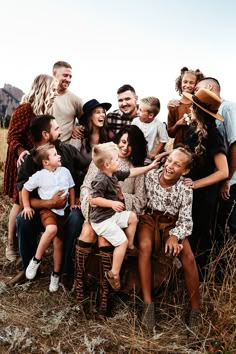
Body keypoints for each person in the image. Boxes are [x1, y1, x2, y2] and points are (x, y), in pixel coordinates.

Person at [75, 125, 149, 314]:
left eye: (130, 144)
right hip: (96, 211)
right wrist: (90, 211)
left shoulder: (136, 167)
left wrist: (122, 197)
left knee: (105, 238)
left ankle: (105, 293)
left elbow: (141, 201)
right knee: (88, 230)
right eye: (123, 142)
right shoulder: (104, 159)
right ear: (117, 141)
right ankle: (80, 286)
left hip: (119, 214)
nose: (125, 147)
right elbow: (86, 188)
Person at [8, 115, 88, 287]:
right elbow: (23, 197)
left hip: (67, 208)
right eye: (57, 128)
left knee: (75, 218)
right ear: (45, 134)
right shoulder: (30, 160)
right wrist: (50, 203)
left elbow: (88, 167)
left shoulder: (67, 151)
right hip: (41, 212)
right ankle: (28, 267)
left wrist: (84, 193)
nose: (60, 131)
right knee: (23, 219)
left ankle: (65, 272)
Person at [137, 147, 200, 332]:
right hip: (148, 218)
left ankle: (195, 309)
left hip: (171, 223)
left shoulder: (185, 188)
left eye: (177, 164)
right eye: (170, 160)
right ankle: (148, 305)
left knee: (187, 255)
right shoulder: (150, 176)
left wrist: (175, 236)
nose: (170, 166)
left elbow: (186, 220)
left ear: (185, 171)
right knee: (145, 245)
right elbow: (141, 202)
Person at [89, 142, 159, 291]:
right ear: (107, 164)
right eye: (115, 159)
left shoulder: (113, 173)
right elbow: (93, 199)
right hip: (101, 221)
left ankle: (131, 246)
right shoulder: (101, 179)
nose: (119, 161)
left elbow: (132, 172)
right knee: (121, 242)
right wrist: (111, 204)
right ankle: (113, 273)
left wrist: (150, 167)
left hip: (111, 215)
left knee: (132, 217)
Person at [3, 74, 58, 262]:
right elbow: (11, 136)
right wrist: (21, 152)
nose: (54, 93)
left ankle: (26, 242)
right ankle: (10, 244)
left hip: (35, 161)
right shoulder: (25, 108)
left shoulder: (42, 111)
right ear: (43, 88)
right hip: (21, 161)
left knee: (30, 201)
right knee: (19, 202)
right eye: (52, 89)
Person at [182, 88, 229, 275]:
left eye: (192, 107)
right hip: (189, 192)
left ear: (196, 110)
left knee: (201, 235)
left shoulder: (213, 134)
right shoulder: (193, 131)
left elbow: (223, 171)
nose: (189, 111)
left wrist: (196, 184)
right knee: (188, 234)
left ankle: (201, 277)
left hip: (204, 194)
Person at [21, 143, 77, 292]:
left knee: (59, 243)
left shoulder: (64, 171)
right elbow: (25, 189)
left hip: (63, 212)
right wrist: (26, 206)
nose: (59, 156)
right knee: (51, 229)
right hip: (48, 211)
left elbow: (71, 187)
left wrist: (72, 204)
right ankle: (36, 259)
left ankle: (56, 274)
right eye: (55, 155)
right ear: (45, 162)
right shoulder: (39, 176)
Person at [194, 77, 236, 237]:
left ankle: (223, 260)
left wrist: (228, 180)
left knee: (229, 223)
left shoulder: (228, 108)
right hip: (215, 177)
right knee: (215, 222)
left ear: (210, 87)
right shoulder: (204, 116)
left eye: (197, 89)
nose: (195, 92)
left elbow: (234, 144)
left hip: (229, 178)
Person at [167, 67, 204, 147]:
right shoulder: (174, 106)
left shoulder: (200, 106)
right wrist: (177, 124)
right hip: (179, 149)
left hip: (197, 148)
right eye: (185, 82)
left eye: (191, 83)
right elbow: (170, 133)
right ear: (180, 83)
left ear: (197, 85)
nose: (187, 85)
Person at [52, 61, 83, 145]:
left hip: (65, 149)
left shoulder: (76, 100)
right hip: (43, 150)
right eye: (65, 75)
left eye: (70, 77)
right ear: (54, 74)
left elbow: (87, 123)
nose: (68, 79)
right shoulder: (44, 97)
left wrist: (78, 128)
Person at [75, 99, 113, 164]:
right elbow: (74, 160)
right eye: (98, 112)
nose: (102, 115)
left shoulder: (109, 135)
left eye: (103, 112)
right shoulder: (80, 135)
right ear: (90, 117)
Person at [132, 96, 168, 163]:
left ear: (150, 115)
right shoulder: (135, 121)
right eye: (138, 109)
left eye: (140, 110)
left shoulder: (159, 125)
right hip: (136, 156)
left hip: (149, 159)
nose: (137, 112)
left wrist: (154, 153)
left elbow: (163, 140)